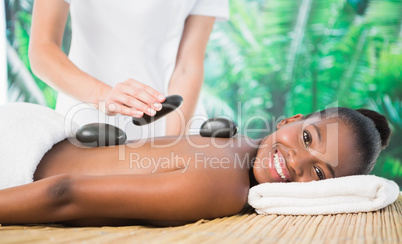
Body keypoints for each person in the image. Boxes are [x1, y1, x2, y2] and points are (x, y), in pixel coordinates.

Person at [0, 107, 391, 227]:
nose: (296, 163)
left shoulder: (233, 161)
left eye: (319, 173)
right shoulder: (223, 175)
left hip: (28, 138)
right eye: (307, 139)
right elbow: (61, 192)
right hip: (18, 158)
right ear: (291, 120)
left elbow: (69, 191)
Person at [28, 0, 229, 139]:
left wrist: (171, 144)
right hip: (86, 119)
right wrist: (103, 96)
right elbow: (42, 49)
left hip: (172, 122)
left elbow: (188, 65)